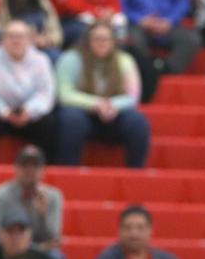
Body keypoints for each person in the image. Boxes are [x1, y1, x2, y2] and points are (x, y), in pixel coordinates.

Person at [55, 21, 150, 168]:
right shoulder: (71, 59)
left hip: (113, 113)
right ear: (87, 41)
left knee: (137, 122)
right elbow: (64, 94)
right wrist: (96, 104)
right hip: (82, 113)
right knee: (70, 119)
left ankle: (136, 172)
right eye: (96, 39)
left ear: (113, 41)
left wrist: (112, 105)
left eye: (106, 39)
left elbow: (133, 96)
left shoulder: (125, 60)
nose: (101, 43)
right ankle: (68, 169)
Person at [0, 21, 57, 163]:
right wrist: (4, 112)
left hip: (28, 116)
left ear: (30, 39)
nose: (16, 41)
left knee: (49, 122)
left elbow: (45, 94)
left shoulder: (41, 60)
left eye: (20, 36)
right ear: (2, 40)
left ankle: (43, 170)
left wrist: (28, 111)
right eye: (11, 36)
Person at [0, 145, 65, 259]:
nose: (30, 170)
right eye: (25, 165)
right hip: (6, 251)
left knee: (56, 258)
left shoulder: (53, 196)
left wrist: (42, 215)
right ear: (16, 168)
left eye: (35, 166)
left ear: (43, 170)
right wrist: (37, 247)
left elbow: (53, 240)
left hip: (40, 254)